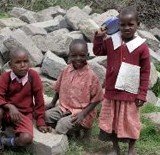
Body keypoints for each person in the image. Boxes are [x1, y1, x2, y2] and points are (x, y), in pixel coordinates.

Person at [93, 6, 150, 155]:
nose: (126, 28)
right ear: (118, 25)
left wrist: (142, 94)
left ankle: (131, 148)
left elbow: (145, 72)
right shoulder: (112, 41)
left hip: (130, 92)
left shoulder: (141, 47)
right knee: (112, 119)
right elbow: (97, 51)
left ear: (138, 24)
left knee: (131, 121)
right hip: (113, 91)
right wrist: (99, 37)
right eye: (122, 24)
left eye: (130, 24)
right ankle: (115, 146)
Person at [45, 39, 103, 139]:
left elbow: (97, 99)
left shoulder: (91, 76)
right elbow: (58, 88)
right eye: (74, 55)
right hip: (63, 108)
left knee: (60, 127)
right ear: (69, 55)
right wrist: (53, 103)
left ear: (87, 55)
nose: (78, 59)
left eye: (82, 55)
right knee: (45, 116)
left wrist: (83, 114)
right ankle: (70, 128)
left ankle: (80, 130)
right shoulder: (66, 70)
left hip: (80, 112)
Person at [0, 49, 51, 150]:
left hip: (23, 115)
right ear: (10, 65)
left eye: (25, 61)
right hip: (7, 111)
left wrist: (40, 121)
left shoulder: (33, 76)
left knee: (26, 138)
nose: (23, 65)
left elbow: (39, 101)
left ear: (29, 62)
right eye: (18, 62)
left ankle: (5, 141)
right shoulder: (5, 77)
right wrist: (9, 106)